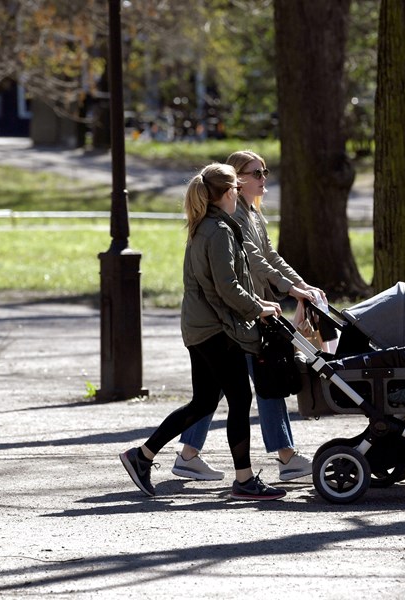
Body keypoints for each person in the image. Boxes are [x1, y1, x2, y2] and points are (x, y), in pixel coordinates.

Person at [119, 162, 286, 501]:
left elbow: (226, 283)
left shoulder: (207, 225)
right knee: (240, 397)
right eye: (237, 189)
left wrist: (256, 305)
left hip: (201, 327)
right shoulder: (219, 231)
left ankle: (142, 456)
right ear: (227, 194)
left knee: (204, 400)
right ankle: (244, 479)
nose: (240, 194)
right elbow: (227, 288)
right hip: (215, 330)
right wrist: (260, 308)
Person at [171, 149, 324, 483]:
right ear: (236, 180)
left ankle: (187, 454)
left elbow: (271, 254)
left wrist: (300, 284)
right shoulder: (231, 218)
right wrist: (289, 292)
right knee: (257, 383)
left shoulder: (253, 215)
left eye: (265, 171)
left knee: (222, 389)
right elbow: (256, 262)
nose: (263, 178)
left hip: (249, 312)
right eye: (257, 173)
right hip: (239, 314)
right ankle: (283, 457)